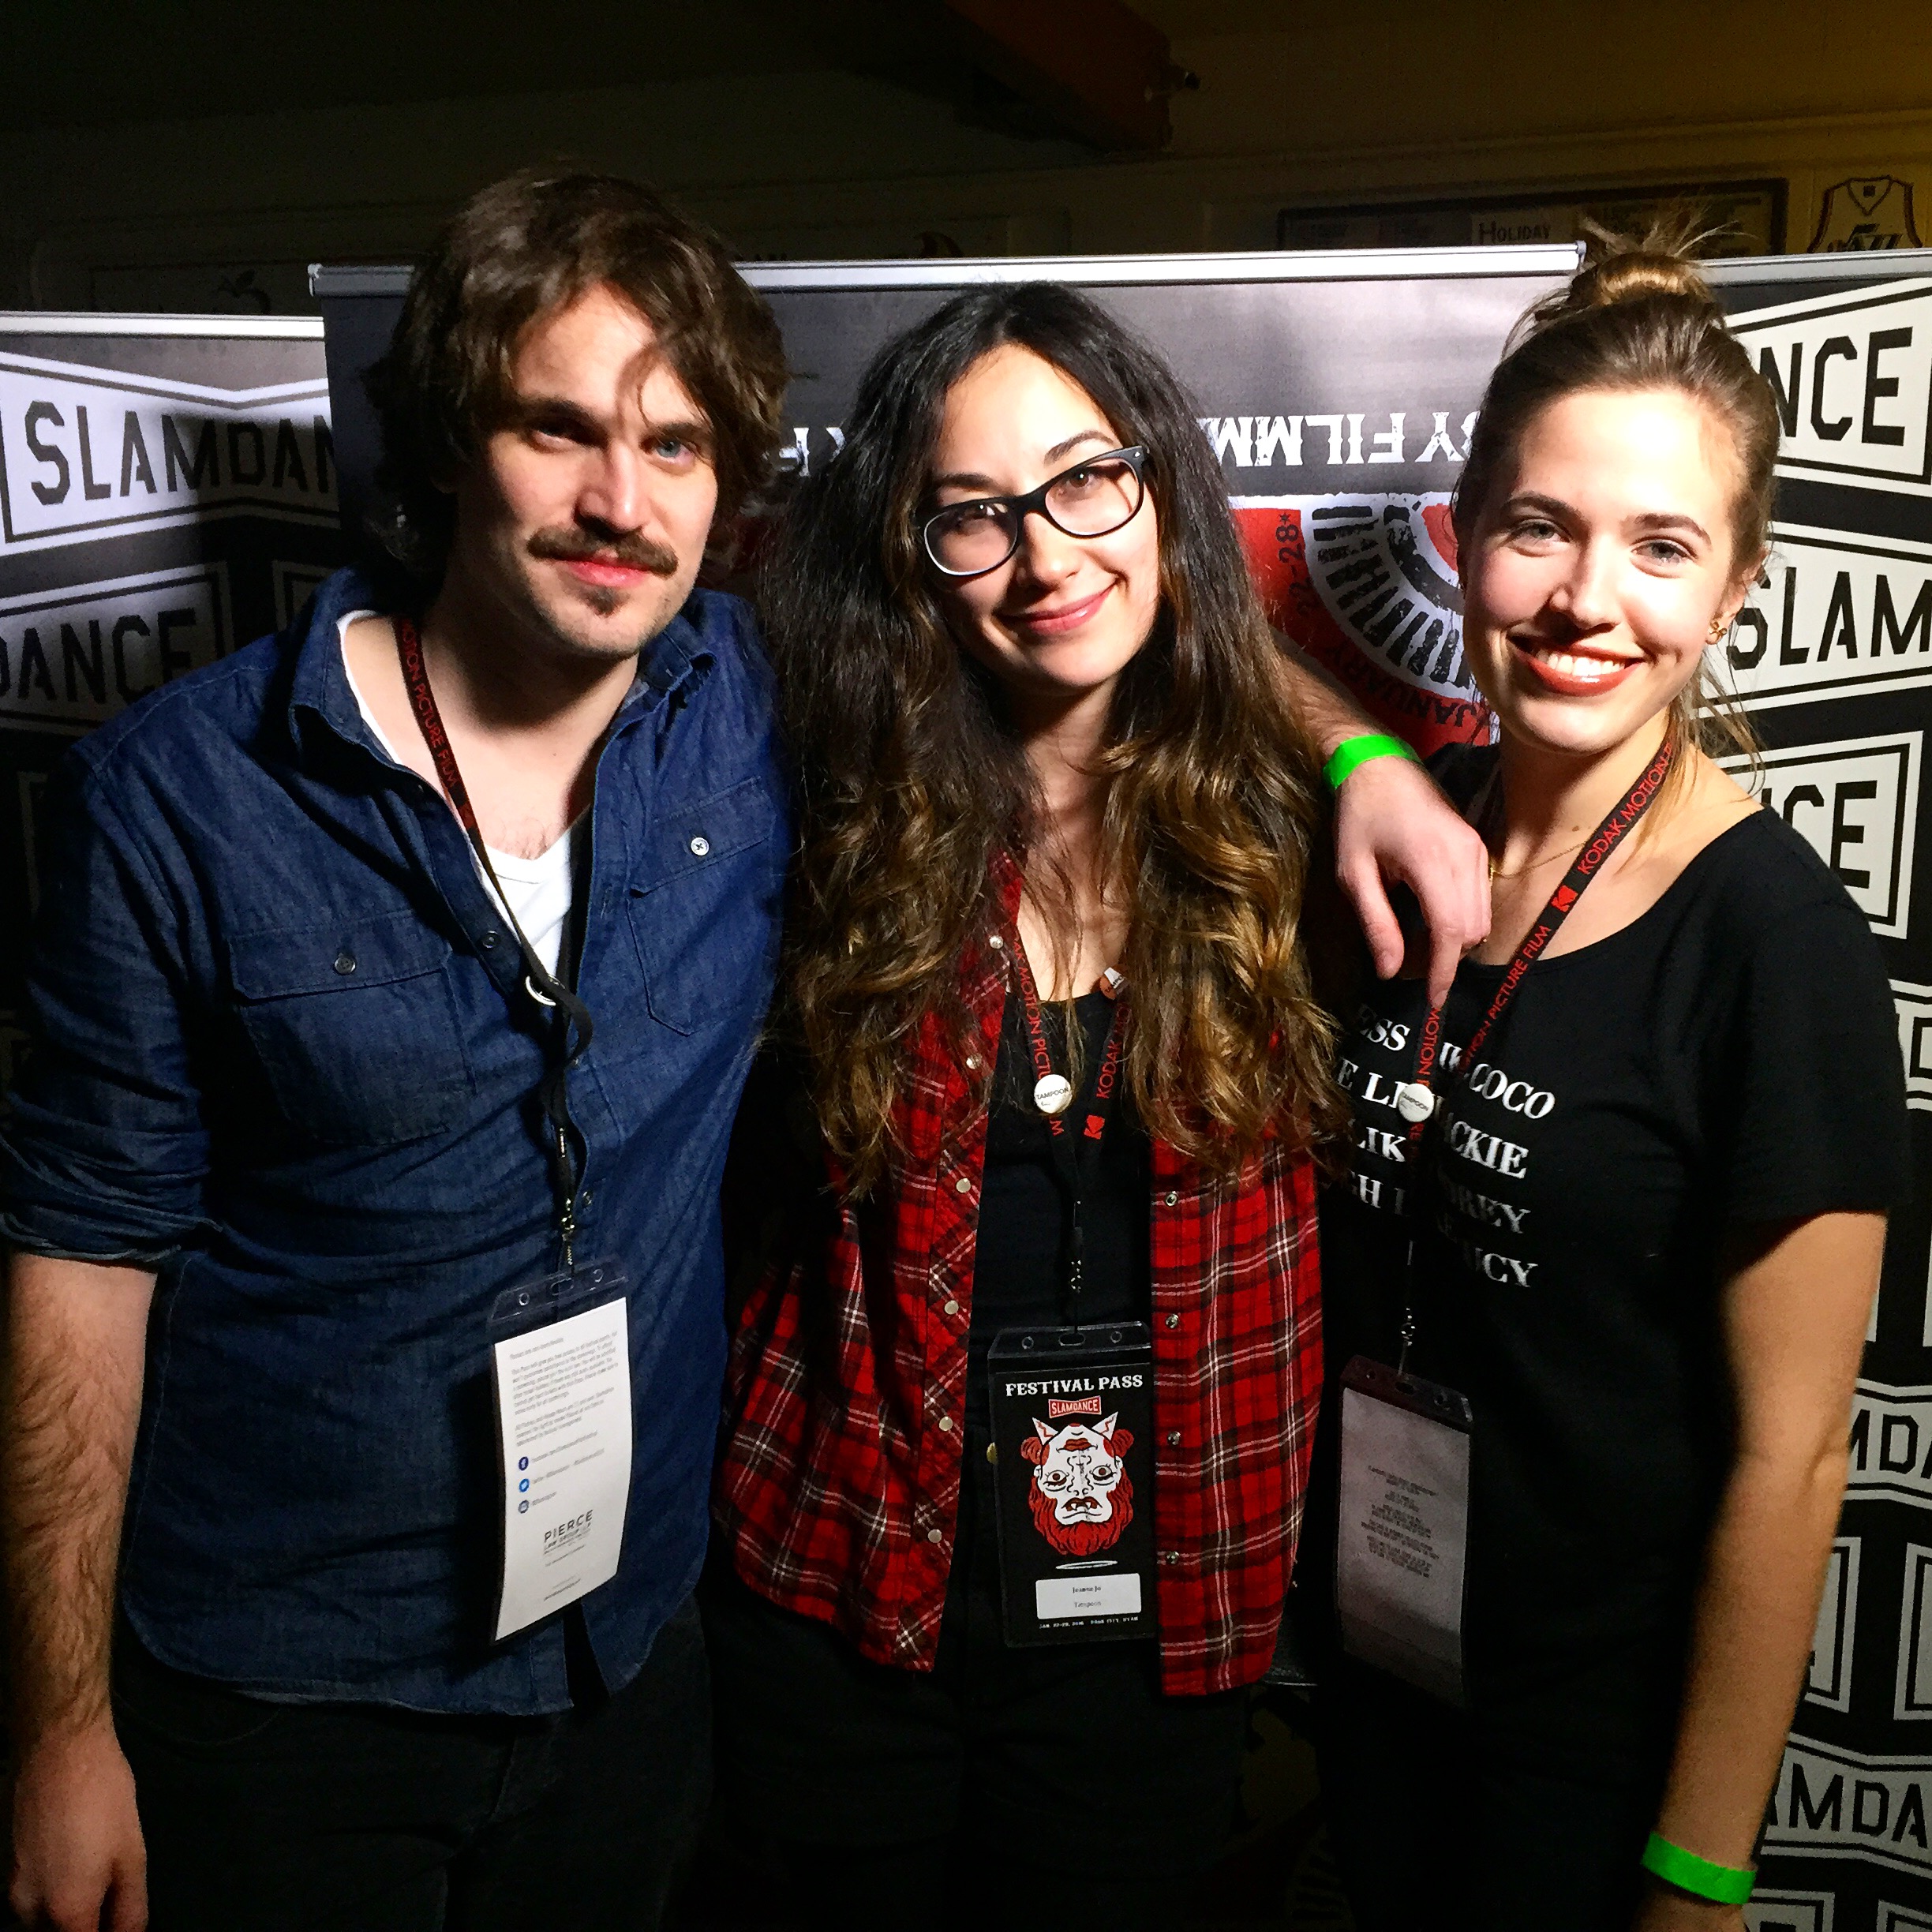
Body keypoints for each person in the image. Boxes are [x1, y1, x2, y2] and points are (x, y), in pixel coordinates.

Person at [0, 169, 791, 1932]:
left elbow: (1103, 621)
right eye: (557, 429)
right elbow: (80, 1269)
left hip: (628, 1655)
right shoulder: (178, 801)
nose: (619, 501)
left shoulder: (741, 704)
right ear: (447, 444)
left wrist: (1365, 769)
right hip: (290, 1697)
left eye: (675, 447)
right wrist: (58, 1732)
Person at [706, 281, 1489, 1929]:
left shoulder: (1293, 846)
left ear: (1157, 490)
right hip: (847, 1602)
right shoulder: (819, 811)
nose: (1049, 556)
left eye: (1085, 483)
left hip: (1163, 1615)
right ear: (910, 562)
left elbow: (1222, 659)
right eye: (972, 519)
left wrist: (1370, 759)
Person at [1312, 232, 1910, 1931]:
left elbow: (1795, 1460)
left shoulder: (1772, 946)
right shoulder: (1395, 838)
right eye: (1540, 530)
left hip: (1592, 1749)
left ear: (1734, 591)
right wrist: (1351, 748)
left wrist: (1699, 1866)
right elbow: (1189, 661)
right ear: (1463, 541)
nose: (1588, 600)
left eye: (1661, 548)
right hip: (1374, 1669)